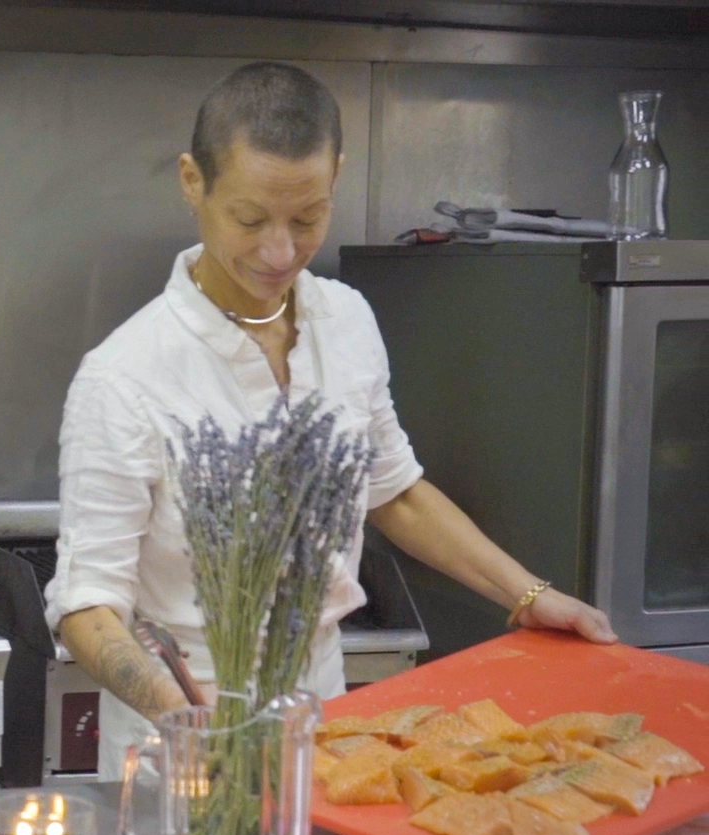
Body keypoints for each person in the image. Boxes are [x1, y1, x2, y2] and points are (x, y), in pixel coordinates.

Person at [45, 61, 617, 781]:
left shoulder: (345, 321)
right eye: (250, 219)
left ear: (337, 177)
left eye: (308, 217)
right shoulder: (123, 377)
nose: (280, 251)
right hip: (180, 752)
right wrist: (188, 721)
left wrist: (530, 595)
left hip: (326, 723)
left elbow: (395, 491)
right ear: (194, 182)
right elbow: (88, 607)